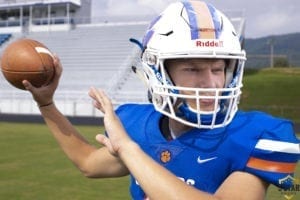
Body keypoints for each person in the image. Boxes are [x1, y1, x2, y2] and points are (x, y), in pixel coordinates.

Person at [23, 0, 299, 199]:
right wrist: (47, 104)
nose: (212, 83)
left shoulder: (255, 135)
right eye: (193, 69)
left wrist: (129, 150)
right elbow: (88, 164)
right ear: (158, 73)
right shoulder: (139, 125)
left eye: (218, 69)